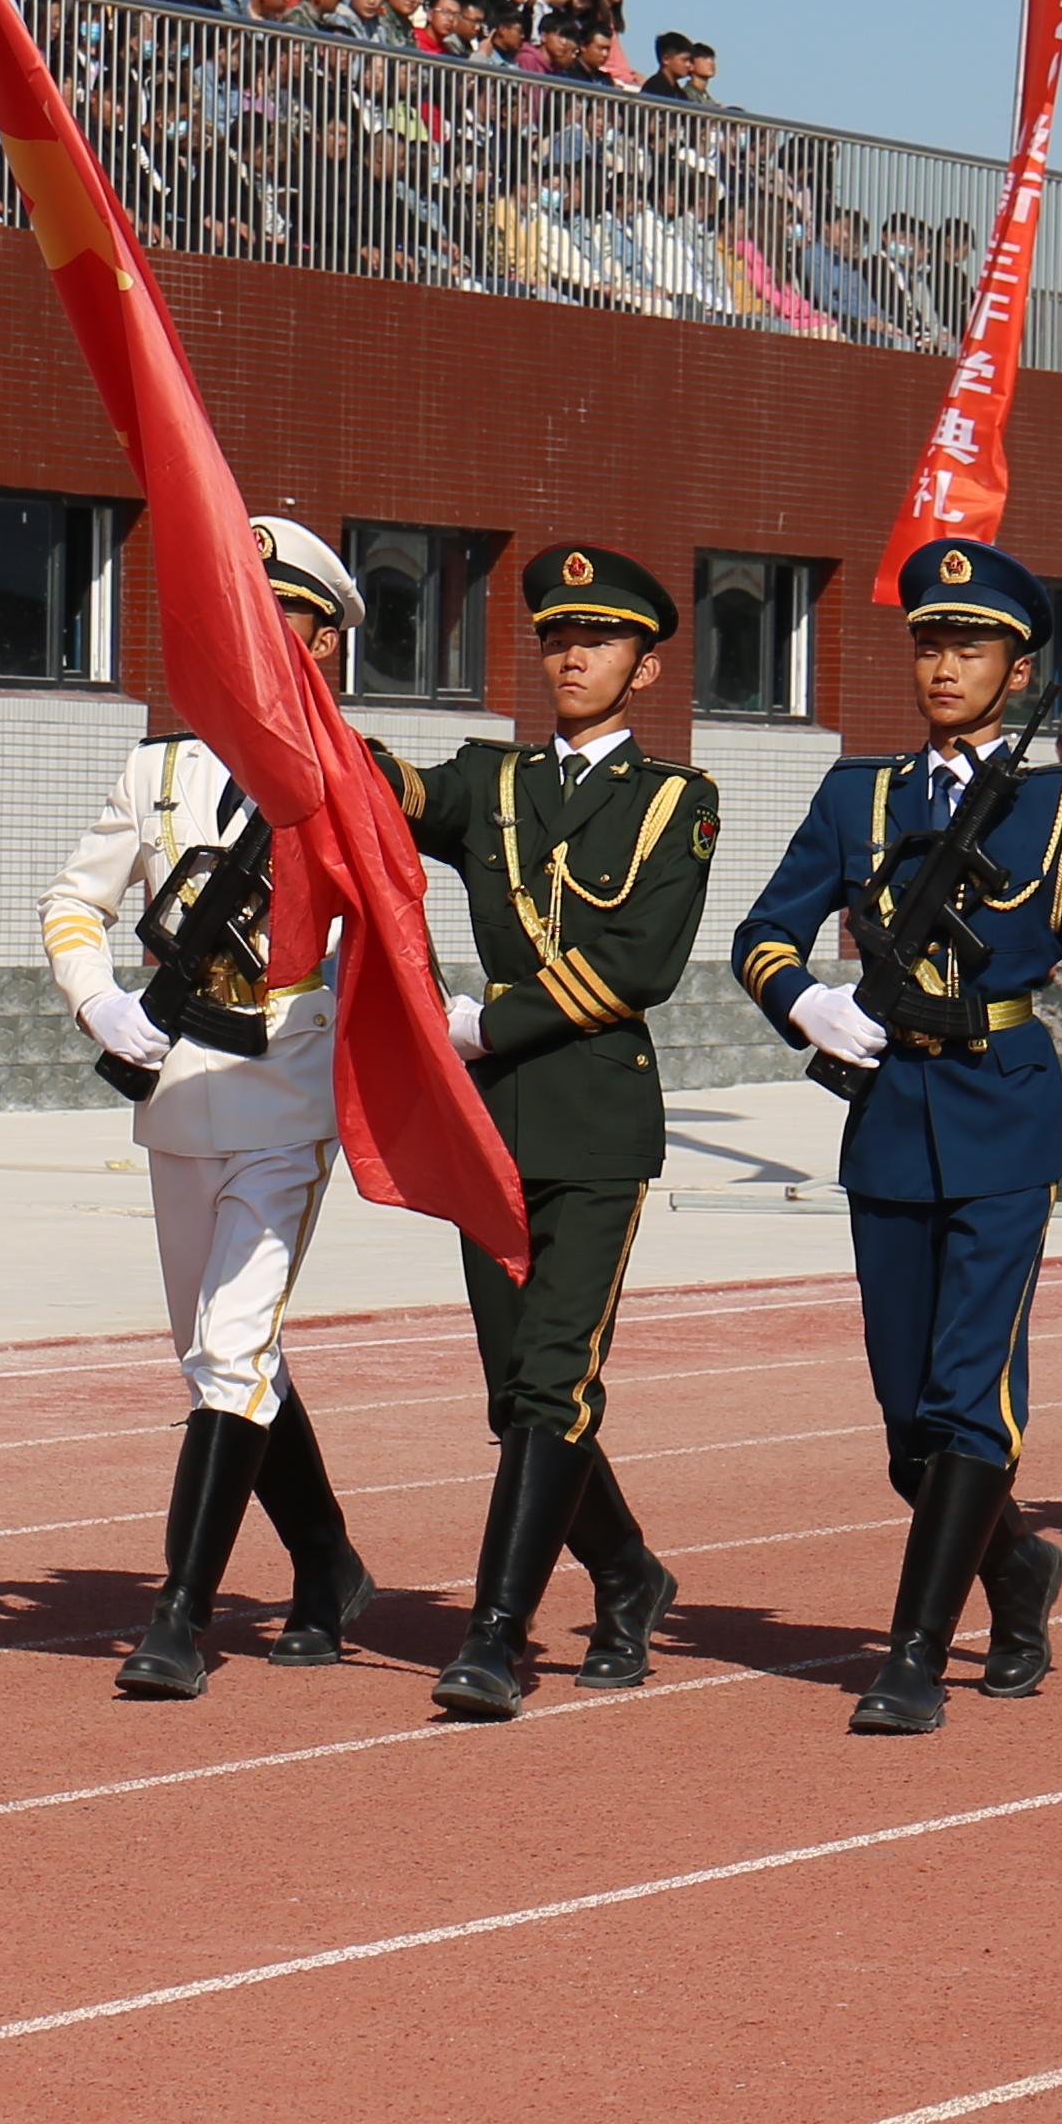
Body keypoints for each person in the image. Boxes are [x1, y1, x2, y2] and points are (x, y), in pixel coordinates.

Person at [730, 541, 1062, 1735]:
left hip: (1003, 1109)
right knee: (904, 1431)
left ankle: (914, 1657)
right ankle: (1020, 1568)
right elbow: (763, 932)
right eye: (930, 641)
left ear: (1019, 666)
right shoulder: (858, 797)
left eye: (970, 645)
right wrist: (804, 1002)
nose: (944, 665)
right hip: (889, 1119)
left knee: (969, 1396)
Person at [52, 519, 390, 1697]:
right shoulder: (159, 770)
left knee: (230, 1348)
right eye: (248, 611)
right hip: (178, 1100)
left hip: (286, 1100)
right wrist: (99, 1003)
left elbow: (389, 929)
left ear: (325, 642)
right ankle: (329, 1563)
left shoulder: (354, 773)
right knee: (217, 1357)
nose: (264, 635)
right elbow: (74, 899)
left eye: (288, 616)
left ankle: (181, 1616)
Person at [389, 542, 715, 1719]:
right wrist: (293, 681)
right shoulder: (494, 779)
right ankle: (628, 1575)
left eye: (600, 640)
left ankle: (494, 1635)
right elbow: (390, 793)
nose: (572, 655)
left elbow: (640, 963)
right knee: (515, 1392)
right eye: (556, 638)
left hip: (595, 1118)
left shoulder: (678, 800)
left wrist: (487, 1024)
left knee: (553, 1384)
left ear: (646, 667)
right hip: (496, 1131)